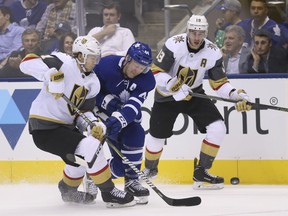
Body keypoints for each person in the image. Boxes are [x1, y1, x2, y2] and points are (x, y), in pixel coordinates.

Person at [19, 35, 136, 208]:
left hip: (66, 127)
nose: (95, 62)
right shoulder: (62, 61)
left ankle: (67, 189)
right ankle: (108, 192)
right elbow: (26, 62)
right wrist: (50, 75)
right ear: (80, 56)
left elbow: (83, 112)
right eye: (92, 57)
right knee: (90, 147)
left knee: (83, 157)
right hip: (44, 126)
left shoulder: (93, 82)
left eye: (97, 58)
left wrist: (93, 125)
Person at [142, 15, 252, 190]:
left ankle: (201, 172)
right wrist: (172, 84)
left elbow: (219, 83)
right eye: (193, 32)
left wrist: (235, 95)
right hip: (167, 95)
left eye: (200, 33)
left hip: (194, 93)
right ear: (187, 30)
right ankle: (149, 169)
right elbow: (156, 72)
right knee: (156, 137)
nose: (196, 37)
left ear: (205, 33)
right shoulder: (173, 44)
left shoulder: (213, 51)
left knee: (218, 128)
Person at [93, 41, 155, 204]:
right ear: (127, 58)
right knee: (120, 166)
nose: (138, 71)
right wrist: (107, 102)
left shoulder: (147, 79)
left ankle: (132, 181)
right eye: (136, 65)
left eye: (143, 67)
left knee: (136, 133)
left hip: (125, 116)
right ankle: (94, 176)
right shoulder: (106, 66)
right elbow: (91, 91)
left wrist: (120, 119)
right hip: (102, 115)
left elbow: (134, 105)